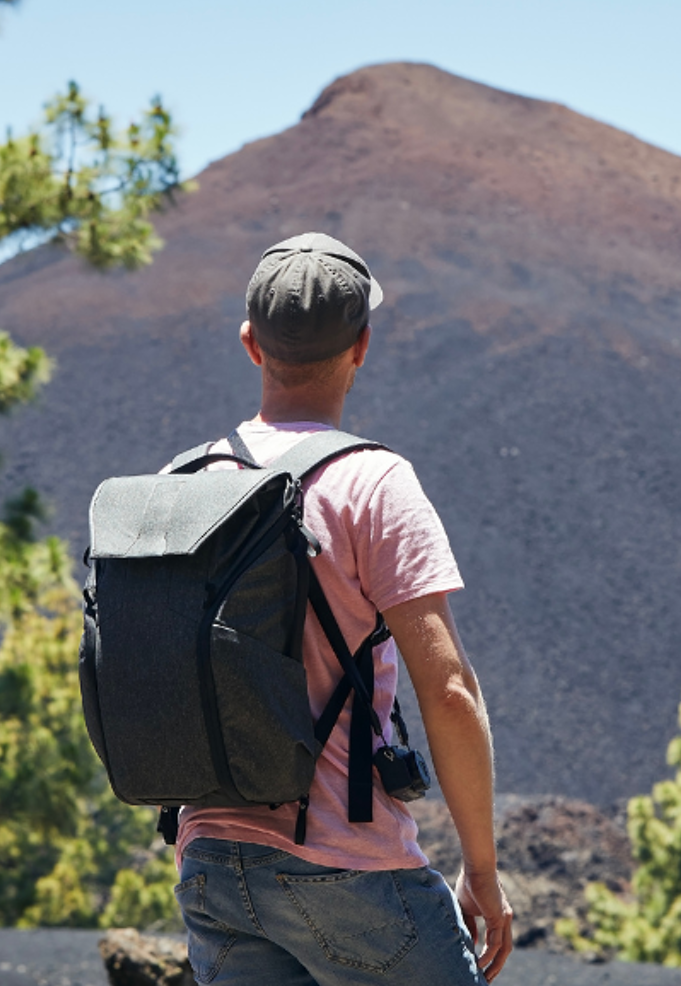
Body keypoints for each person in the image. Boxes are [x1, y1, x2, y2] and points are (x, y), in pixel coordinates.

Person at [170, 232, 513, 985]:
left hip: (211, 866)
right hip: (346, 867)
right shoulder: (372, 483)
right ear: (362, 347)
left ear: (250, 344)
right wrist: (482, 871)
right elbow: (449, 693)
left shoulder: (185, 481)